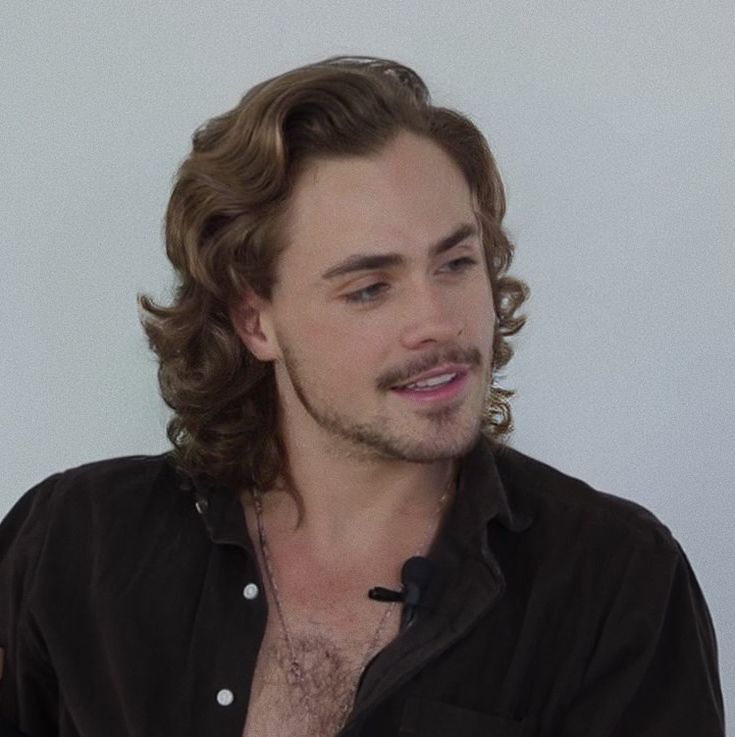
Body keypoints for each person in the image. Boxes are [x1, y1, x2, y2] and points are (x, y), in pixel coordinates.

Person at [0, 56, 725, 737]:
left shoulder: (614, 582)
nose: (437, 322)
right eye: (370, 287)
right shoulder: (73, 544)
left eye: (455, 262)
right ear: (255, 320)